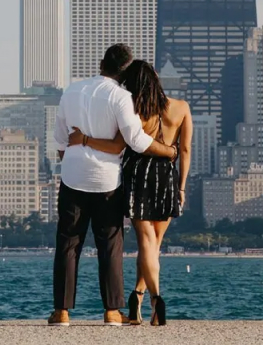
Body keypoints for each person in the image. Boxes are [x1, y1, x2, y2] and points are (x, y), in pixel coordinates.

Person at [49, 44, 179, 327]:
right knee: (110, 245)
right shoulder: (122, 97)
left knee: (68, 244)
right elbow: (137, 141)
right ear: (125, 72)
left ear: (100, 63)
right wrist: (169, 152)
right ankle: (111, 312)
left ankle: (62, 312)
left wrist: (77, 149)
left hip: (72, 176)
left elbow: (59, 141)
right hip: (106, 180)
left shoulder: (71, 91)